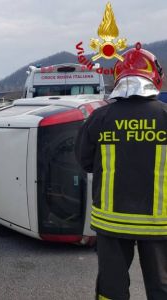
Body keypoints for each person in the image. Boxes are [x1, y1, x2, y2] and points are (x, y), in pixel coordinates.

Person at [75, 44, 167, 300]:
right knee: (162, 287)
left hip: (111, 222)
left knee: (111, 287)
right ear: (154, 76)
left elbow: (84, 162)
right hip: (160, 224)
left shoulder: (99, 118)